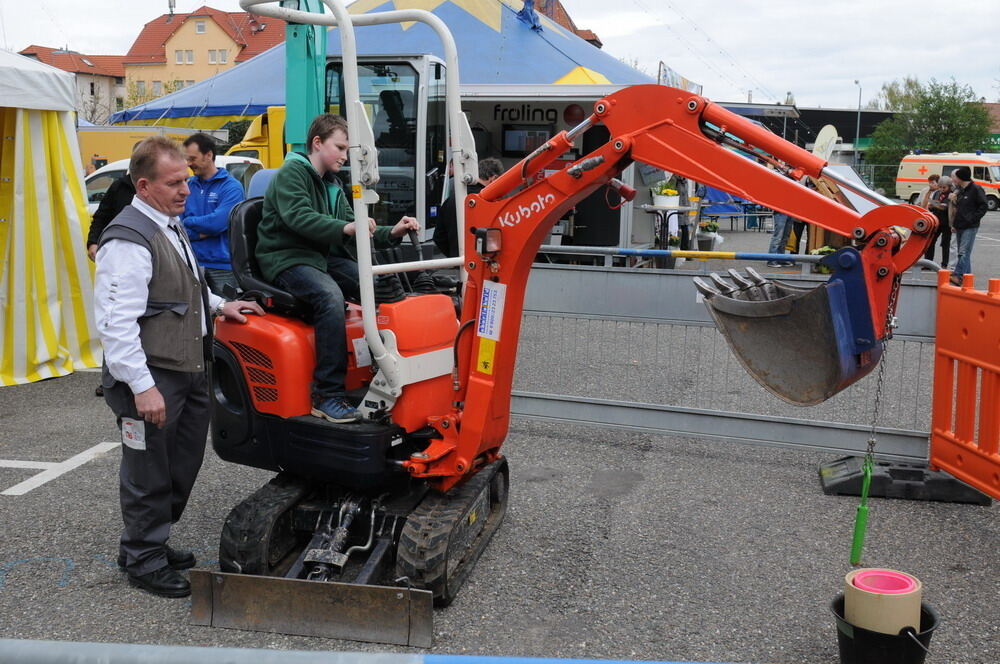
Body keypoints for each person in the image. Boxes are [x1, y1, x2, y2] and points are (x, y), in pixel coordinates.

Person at [94, 137, 263, 598]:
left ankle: (149, 543)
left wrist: (221, 304)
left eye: (187, 179)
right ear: (144, 186)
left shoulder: (168, 223)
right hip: (151, 376)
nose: (186, 189)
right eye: (175, 183)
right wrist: (143, 388)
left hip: (187, 367)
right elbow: (115, 324)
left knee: (181, 464)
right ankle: (143, 558)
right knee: (148, 470)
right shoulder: (127, 239)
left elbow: (182, 287)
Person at [255, 114, 419, 423]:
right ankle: (327, 394)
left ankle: (388, 369)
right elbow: (299, 218)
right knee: (329, 296)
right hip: (286, 259)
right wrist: (346, 227)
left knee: (378, 282)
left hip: (318, 256)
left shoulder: (332, 184)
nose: (345, 157)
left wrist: (391, 232)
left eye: (347, 151)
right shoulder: (293, 174)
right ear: (317, 143)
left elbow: (352, 226)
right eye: (340, 148)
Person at [87, 146, 140, 397]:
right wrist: (93, 242)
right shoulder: (120, 187)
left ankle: (137, 379)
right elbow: (101, 216)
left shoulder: (157, 189)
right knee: (114, 320)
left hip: (141, 262)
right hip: (117, 262)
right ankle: (110, 381)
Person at [181, 133, 245, 297]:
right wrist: (200, 232)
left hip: (223, 267)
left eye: (193, 158)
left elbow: (218, 223)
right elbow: (177, 227)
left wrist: (189, 221)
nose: (189, 164)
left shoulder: (231, 187)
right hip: (192, 265)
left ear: (209, 155)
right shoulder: (188, 186)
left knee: (227, 317)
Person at [433, 157, 504, 257]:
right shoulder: (490, 202)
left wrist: (454, 256)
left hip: (457, 262)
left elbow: (438, 236)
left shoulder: (453, 199)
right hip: (483, 264)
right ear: (494, 179)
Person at [948, 166, 988, 285]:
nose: (954, 179)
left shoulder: (976, 189)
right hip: (960, 225)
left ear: (961, 178)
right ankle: (966, 276)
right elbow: (958, 209)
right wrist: (954, 224)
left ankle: (958, 275)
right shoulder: (961, 190)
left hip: (970, 226)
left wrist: (972, 219)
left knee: (963, 252)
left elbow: (983, 206)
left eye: (956, 177)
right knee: (963, 252)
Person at [923, 175, 952, 269]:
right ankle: (928, 263)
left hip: (946, 222)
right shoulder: (937, 193)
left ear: (949, 187)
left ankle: (944, 264)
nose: (942, 189)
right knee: (930, 241)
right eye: (940, 187)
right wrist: (932, 205)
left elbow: (944, 207)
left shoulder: (951, 195)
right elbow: (933, 204)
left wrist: (936, 205)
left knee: (945, 243)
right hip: (936, 220)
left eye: (944, 187)